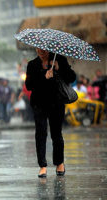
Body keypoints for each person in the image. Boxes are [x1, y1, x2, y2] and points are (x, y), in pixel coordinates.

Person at [25, 48, 76, 178]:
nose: (41, 51)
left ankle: (59, 163)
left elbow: (72, 77)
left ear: (49, 49)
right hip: (39, 104)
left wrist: (60, 69)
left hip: (56, 103)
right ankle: (42, 166)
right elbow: (29, 85)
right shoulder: (32, 64)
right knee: (40, 134)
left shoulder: (59, 60)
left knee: (56, 134)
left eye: (44, 49)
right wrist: (44, 76)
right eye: (38, 49)